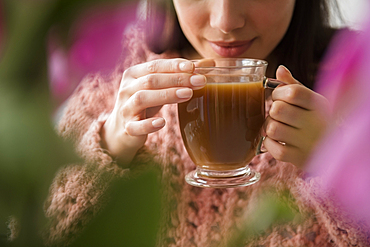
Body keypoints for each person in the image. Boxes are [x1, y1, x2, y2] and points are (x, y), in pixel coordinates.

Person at [44, 0, 370, 246]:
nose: (225, 21)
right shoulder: (117, 68)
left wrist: (338, 165)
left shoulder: (358, 79)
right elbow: (27, 230)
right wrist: (108, 146)